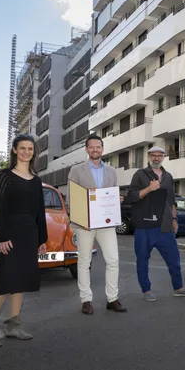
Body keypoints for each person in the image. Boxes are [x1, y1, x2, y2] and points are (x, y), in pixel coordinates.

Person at [0, 134, 47, 348]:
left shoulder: (36, 180)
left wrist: (42, 239)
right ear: (15, 150)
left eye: (30, 148)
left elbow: (39, 211)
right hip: (10, 234)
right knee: (6, 284)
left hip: (29, 234)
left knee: (21, 282)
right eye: (22, 148)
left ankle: (13, 326)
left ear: (34, 152)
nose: (27, 151)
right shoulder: (5, 175)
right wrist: (2, 238)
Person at [125, 146, 185, 301]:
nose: (156, 158)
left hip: (165, 225)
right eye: (153, 155)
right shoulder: (140, 175)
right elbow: (131, 197)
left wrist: (175, 219)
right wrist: (149, 188)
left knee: (174, 259)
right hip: (145, 226)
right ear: (148, 156)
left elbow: (171, 200)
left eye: (160, 155)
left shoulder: (168, 176)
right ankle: (146, 290)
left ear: (164, 157)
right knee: (142, 259)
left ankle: (179, 287)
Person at [68, 134, 127, 315]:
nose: (95, 150)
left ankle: (112, 299)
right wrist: (80, 220)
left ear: (102, 149)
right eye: (91, 147)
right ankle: (86, 300)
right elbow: (72, 197)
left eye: (98, 147)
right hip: (85, 223)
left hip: (106, 224)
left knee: (113, 260)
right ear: (86, 149)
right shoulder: (77, 170)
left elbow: (110, 196)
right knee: (84, 261)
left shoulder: (111, 171)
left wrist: (117, 200)